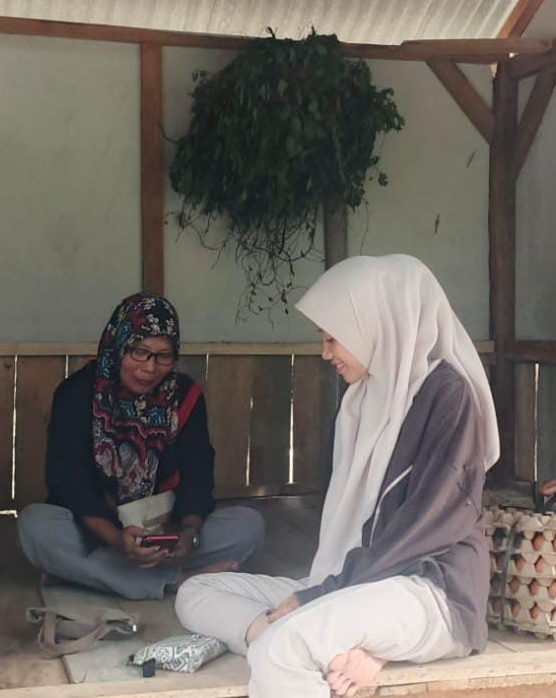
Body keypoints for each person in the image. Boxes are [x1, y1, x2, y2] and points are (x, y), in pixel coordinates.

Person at [174, 255, 499, 697]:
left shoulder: (448, 396)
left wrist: (318, 601)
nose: (326, 353)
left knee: (283, 650)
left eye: (333, 338)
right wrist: (319, 609)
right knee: (196, 592)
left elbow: (426, 529)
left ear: (377, 325)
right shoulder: (362, 400)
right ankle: (280, 634)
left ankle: (294, 637)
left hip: (427, 591)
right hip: (351, 584)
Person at [17, 293, 265, 600]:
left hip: (166, 530)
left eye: (163, 356)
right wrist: (117, 539)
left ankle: (102, 576)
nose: (150, 368)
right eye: (139, 352)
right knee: (35, 526)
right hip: (100, 531)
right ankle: (175, 582)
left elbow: (198, 474)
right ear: (118, 346)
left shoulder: (184, 396)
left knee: (248, 526)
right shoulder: (77, 394)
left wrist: (188, 534)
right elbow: (70, 483)